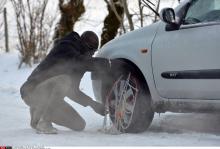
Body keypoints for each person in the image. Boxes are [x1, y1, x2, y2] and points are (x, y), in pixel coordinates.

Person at [20, 31, 111, 134]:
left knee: (79, 125)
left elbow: (73, 92)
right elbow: (80, 61)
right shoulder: (67, 46)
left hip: (49, 97)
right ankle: (44, 121)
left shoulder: (79, 62)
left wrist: (93, 104)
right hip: (31, 91)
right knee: (64, 80)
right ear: (84, 45)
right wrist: (108, 64)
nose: (91, 54)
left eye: (94, 52)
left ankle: (36, 116)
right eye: (91, 50)